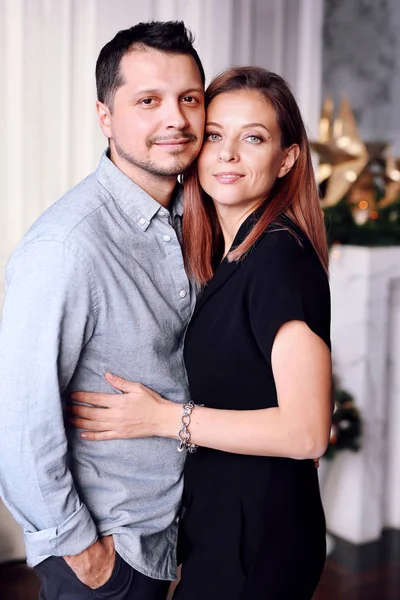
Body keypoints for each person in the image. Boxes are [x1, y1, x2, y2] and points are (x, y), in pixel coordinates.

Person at [69, 66, 333, 600]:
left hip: (262, 531)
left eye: (253, 138)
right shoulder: (230, 252)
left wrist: (166, 419)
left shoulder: (278, 260)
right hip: (226, 520)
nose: (227, 154)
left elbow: (308, 433)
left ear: (287, 159)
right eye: (215, 135)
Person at [0, 21, 206, 600]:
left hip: (170, 538)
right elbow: (18, 420)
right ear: (105, 116)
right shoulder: (67, 247)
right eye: (148, 101)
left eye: (189, 98)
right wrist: (82, 552)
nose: (176, 119)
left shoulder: (194, 218)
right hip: (107, 557)